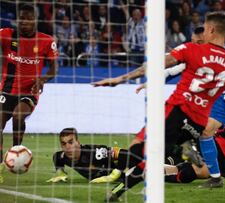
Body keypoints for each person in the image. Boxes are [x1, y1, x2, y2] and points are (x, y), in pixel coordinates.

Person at [102, 12, 225, 201]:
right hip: (219, 101)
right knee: (204, 132)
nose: (200, 37)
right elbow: (172, 69)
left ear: (210, 31)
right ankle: (213, 174)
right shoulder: (199, 52)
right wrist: (149, 80)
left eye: (202, 33)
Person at [0, 4, 58, 183]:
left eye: (29, 18)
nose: (25, 22)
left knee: (18, 116)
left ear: (35, 20)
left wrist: (42, 80)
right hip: (6, 90)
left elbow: (54, 69)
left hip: (29, 92)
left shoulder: (47, 41)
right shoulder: (6, 35)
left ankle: (17, 150)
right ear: (17, 20)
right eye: (22, 19)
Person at [46, 127, 144, 183]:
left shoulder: (95, 153)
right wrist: (60, 173)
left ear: (78, 143)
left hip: (136, 168)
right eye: (63, 143)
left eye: (71, 142)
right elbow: (56, 156)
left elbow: (125, 153)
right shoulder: (62, 156)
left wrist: (113, 175)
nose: (67, 147)